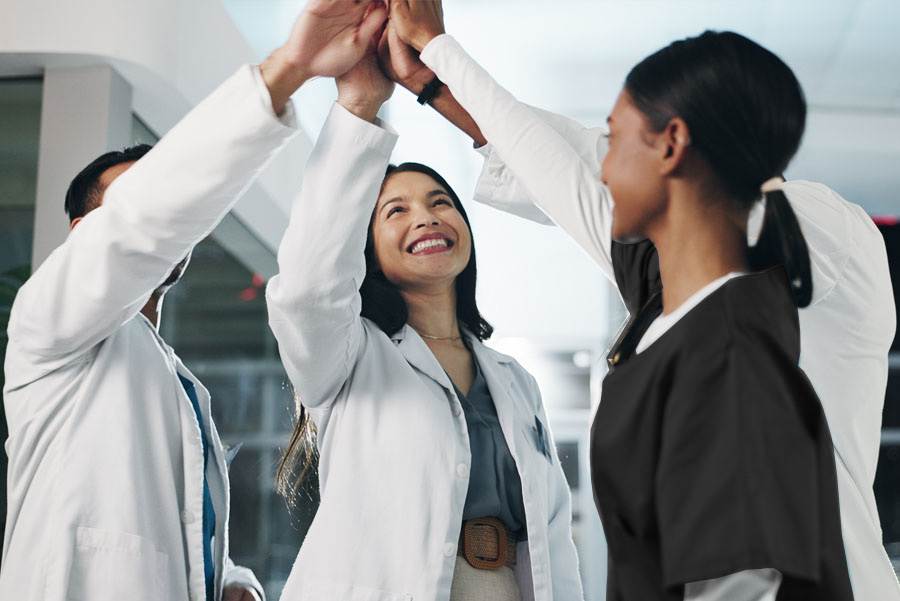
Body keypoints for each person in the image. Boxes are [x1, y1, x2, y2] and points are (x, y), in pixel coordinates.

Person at [380, 4, 900, 600]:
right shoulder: (676, 290)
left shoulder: (819, 230)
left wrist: (445, 52)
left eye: (617, 141)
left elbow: (573, 180)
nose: (604, 165)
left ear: (676, 148)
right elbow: (561, 163)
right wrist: (430, 83)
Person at [0, 2, 390, 600]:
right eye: (136, 196)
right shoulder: (45, 324)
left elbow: (175, 530)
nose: (163, 210)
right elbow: (147, 220)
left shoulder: (173, 381)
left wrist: (231, 581)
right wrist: (288, 70)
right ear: (84, 236)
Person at [265, 28, 583, 601]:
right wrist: (359, 107)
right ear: (366, 252)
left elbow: (554, 534)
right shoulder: (348, 358)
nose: (427, 217)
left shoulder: (515, 381)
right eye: (396, 210)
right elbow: (309, 284)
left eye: (440, 202)